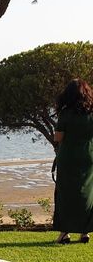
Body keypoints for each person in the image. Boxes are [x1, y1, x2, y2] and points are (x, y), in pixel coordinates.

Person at [53, 78, 93, 244]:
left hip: (68, 157)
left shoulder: (65, 113)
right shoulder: (91, 113)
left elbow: (58, 137)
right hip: (88, 156)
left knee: (66, 194)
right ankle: (85, 232)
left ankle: (65, 233)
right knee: (87, 193)